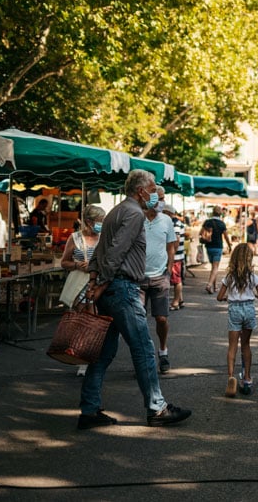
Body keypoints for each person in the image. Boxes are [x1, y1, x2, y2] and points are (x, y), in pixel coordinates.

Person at [78, 169, 191, 429]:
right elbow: (115, 253)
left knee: (103, 353)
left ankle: (90, 408)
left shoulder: (116, 212)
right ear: (141, 191)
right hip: (123, 289)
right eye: (152, 190)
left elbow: (100, 253)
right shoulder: (133, 213)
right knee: (143, 349)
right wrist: (102, 282)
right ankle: (157, 407)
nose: (155, 196)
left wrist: (96, 282)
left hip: (112, 289)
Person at [59, 204, 106, 377]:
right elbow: (64, 262)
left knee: (95, 323)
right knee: (81, 324)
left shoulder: (104, 238)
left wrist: (97, 266)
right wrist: (78, 265)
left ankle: (91, 359)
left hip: (98, 286)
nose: (102, 224)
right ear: (88, 221)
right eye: (100, 221)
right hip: (79, 286)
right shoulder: (75, 238)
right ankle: (83, 360)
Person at [217, 244, 258, 397]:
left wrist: (228, 297)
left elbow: (219, 297)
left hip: (235, 310)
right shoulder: (253, 277)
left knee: (232, 346)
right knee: (246, 345)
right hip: (248, 310)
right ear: (249, 259)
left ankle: (231, 377)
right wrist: (255, 296)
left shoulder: (229, 277)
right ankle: (246, 378)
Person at [142, 187, 178, 374]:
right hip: (138, 277)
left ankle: (163, 351)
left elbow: (171, 246)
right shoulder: (137, 218)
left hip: (160, 276)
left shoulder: (166, 220)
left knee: (161, 318)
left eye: (164, 198)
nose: (162, 202)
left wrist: (169, 268)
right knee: (138, 320)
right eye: (160, 198)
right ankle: (144, 356)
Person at [201, 206, 232, 294]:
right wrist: (230, 245)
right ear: (220, 213)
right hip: (218, 247)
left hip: (209, 246)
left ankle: (215, 286)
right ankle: (209, 285)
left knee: (213, 267)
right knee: (215, 267)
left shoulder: (207, 222)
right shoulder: (222, 224)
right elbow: (226, 236)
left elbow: (201, 232)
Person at [168, 206, 187, 310]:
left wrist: (172, 254)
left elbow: (176, 240)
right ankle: (180, 300)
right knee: (177, 278)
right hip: (178, 255)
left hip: (175, 256)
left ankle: (175, 302)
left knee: (176, 280)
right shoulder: (179, 223)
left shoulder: (174, 223)